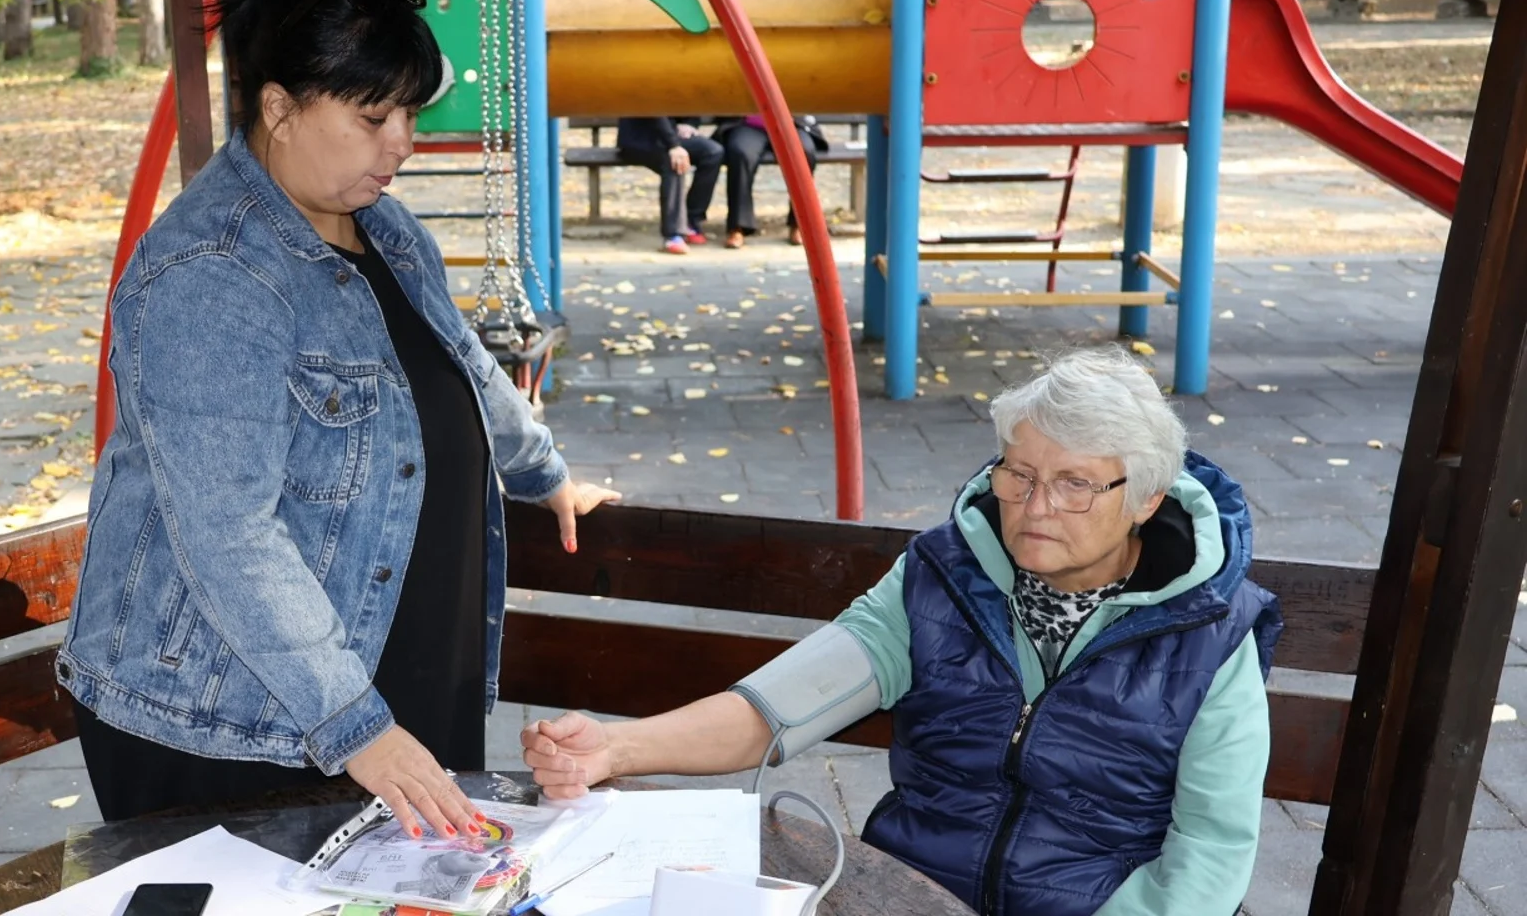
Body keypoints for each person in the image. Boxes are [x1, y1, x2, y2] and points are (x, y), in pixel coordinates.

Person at [58, 0, 620, 839]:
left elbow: (462, 366)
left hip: (385, 681)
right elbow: (228, 532)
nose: (401, 139)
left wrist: (541, 470)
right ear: (279, 106)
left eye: (407, 111)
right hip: (236, 721)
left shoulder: (386, 230)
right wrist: (357, 726)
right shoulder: (214, 274)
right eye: (371, 116)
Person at [523, 346, 1280, 916]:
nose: (1034, 505)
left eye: (1075, 483)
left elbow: (1209, 853)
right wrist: (616, 748)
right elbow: (776, 708)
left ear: (1145, 498)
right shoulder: (942, 578)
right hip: (912, 893)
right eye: (1017, 473)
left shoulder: (1211, 630)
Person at [710, 114, 829, 248]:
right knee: (740, 153)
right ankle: (737, 227)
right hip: (747, 124)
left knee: (803, 152)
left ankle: (800, 224)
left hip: (790, 123)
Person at [615, 117, 722, 254]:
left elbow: (690, 101)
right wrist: (673, 145)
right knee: (674, 160)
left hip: (670, 136)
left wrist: (689, 124)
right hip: (640, 139)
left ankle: (691, 219)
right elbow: (654, 111)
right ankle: (673, 236)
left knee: (713, 152)